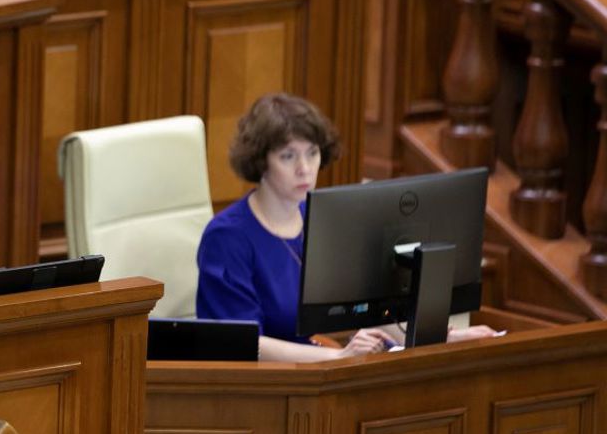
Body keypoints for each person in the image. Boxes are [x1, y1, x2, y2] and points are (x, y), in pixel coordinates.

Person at [196, 93, 496, 362]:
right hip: (267, 386)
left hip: (322, 365)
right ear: (261, 162)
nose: (305, 168)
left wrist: (438, 336)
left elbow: (364, 307)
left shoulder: (325, 219)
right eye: (288, 156)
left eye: (312, 152)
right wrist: (338, 355)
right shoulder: (227, 238)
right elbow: (245, 345)